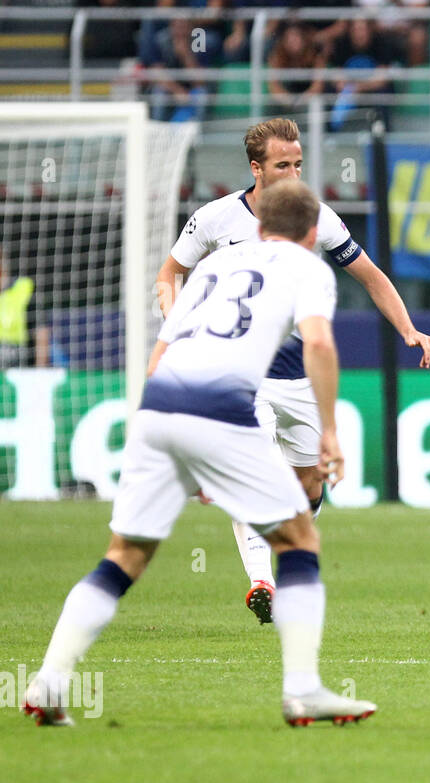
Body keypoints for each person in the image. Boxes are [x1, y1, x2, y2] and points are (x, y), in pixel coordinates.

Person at [23, 180, 376, 728]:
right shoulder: (309, 270)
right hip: (221, 407)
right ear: (311, 234)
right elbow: (321, 346)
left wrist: (174, 442)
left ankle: (49, 682)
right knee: (301, 536)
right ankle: (303, 690)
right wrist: (329, 431)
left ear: (258, 227)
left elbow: (162, 349)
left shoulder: (211, 267)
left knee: (126, 554)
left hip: (160, 404)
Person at [154, 117, 430, 625]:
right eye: (283, 165)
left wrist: (408, 327)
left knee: (308, 484)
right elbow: (171, 273)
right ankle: (261, 580)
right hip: (244, 374)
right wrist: (179, 322)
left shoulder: (318, 218)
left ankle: (288, 559)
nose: (293, 173)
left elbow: (369, 274)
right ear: (256, 168)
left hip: (300, 376)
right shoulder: (215, 219)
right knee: (251, 469)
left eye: (299, 163)